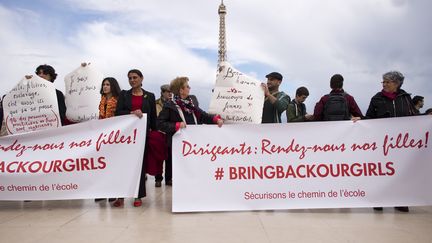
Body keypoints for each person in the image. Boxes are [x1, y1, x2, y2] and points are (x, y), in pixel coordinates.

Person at [157, 77, 223, 186]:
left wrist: (215, 120)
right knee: (181, 172)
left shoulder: (191, 103)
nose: (189, 88)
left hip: (193, 143)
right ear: (181, 90)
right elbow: (159, 123)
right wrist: (176, 125)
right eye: (187, 86)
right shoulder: (170, 105)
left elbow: (202, 116)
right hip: (178, 145)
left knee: (193, 170)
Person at [366, 71, 416, 213]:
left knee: (400, 171)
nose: (384, 84)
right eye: (383, 81)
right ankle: (379, 199)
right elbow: (369, 118)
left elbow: (414, 117)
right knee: (381, 171)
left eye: (388, 82)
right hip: (382, 143)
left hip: (402, 143)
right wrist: (359, 121)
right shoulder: (376, 98)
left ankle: (399, 200)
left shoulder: (405, 98)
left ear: (397, 83)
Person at [114, 69, 157, 207]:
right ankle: (120, 195)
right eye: (130, 78)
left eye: (135, 77)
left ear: (141, 78)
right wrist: (131, 112)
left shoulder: (150, 96)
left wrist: (155, 133)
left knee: (140, 167)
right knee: (123, 166)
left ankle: (138, 195)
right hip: (126, 137)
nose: (132, 80)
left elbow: (153, 118)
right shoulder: (124, 95)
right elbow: (118, 113)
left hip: (143, 136)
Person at [95, 77, 122, 203]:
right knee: (102, 165)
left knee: (113, 164)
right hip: (102, 135)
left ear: (113, 86)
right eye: (104, 84)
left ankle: (113, 191)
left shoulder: (118, 100)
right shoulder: (101, 100)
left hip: (114, 135)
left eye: (108, 84)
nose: (105, 87)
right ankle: (102, 191)